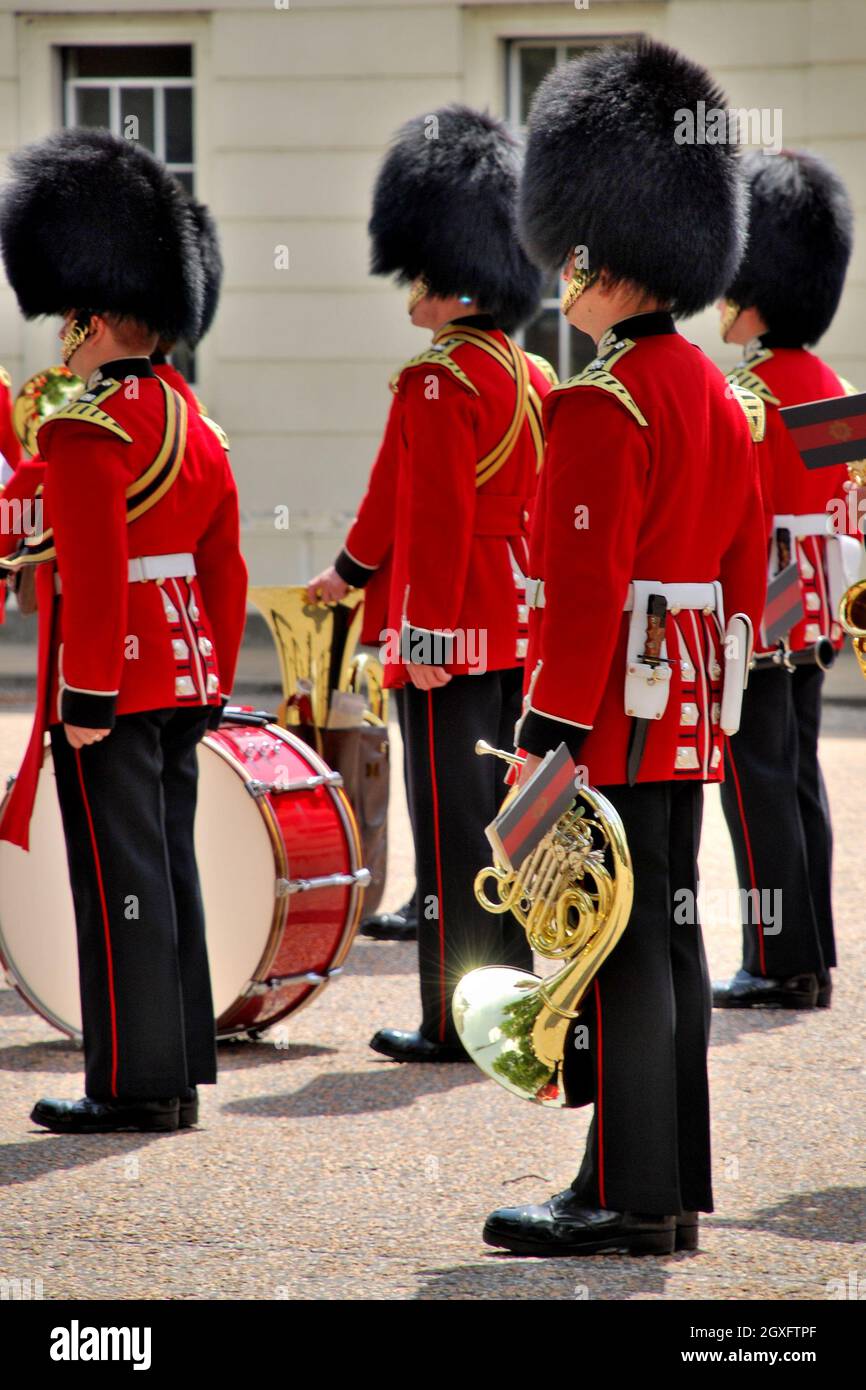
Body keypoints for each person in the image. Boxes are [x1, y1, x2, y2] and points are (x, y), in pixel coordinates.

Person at [482, 40, 768, 1257]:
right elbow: (742, 560)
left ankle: (626, 1196)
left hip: (613, 710)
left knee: (619, 947)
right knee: (669, 937)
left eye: (566, 259)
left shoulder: (602, 402)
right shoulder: (712, 390)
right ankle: (657, 1184)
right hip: (689, 703)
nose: (558, 278)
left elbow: (587, 591)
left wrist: (543, 740)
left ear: (593, 258)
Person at [0, 128, 248, 1134]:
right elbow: (223, 568)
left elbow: (96, 569)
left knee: (116, 887)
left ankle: (131, 1084)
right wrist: (215, 680)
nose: (63, 330)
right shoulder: (194, 417)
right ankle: (172, 1066)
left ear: (96, 318)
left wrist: (88, 693)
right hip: (184, 676)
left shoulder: (90, 423)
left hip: (114, 681)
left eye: (69, 315)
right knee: (164, 872)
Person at [308, 104, 554, 1062]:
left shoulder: (440, 380)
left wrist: (425, 636)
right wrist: (349, 571)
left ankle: (458, 1018)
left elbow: (439, 520)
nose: (407, 287)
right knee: (507, 817)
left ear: (453, 281)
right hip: (514, 618)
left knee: (452, 828)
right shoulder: (527, 371)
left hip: (451, 626)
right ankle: (516, 989)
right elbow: (394, 500)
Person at [713, 151, 856, 1011]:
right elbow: (844, 512)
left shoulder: (752, 395)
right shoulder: (834, 388)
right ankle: (811, 954)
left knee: (756, 784)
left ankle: (775, 960)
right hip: (819, 605)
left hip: (759, 611)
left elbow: (733, 517)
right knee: (799, 778)